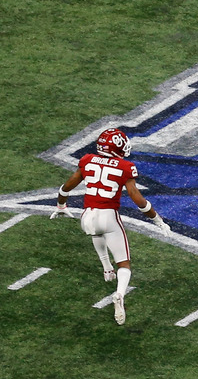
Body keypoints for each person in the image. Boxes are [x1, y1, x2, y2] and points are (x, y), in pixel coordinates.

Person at [53, 128, 170, 325]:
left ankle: (107, 268)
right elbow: (136, 197)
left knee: (95, 232)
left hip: (87, 216)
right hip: (108, 216)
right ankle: (119, 294)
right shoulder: (125, 166)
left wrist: (61, 204)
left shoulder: (88, 159)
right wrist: (156, 219)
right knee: (124, 264)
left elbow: (67, 186)